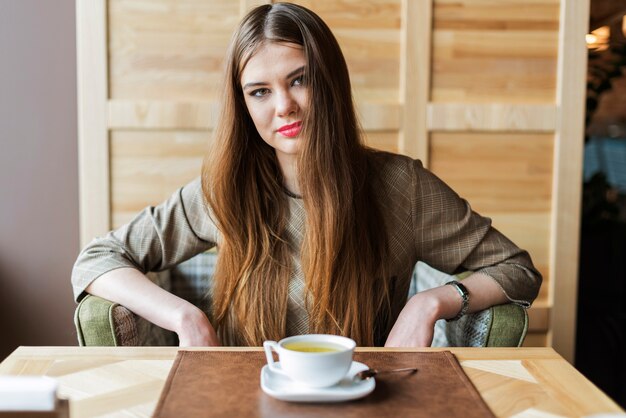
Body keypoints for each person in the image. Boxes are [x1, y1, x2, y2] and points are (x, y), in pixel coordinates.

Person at [72, 2, 542, 348]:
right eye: (259, 91)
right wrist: (186, 318)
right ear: (243, 105)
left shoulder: (402, 186)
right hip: (244, 400)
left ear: (330, 81)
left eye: (300, 79)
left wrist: (430, 302)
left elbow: (517, 269)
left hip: (365, 400)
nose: (284, 106)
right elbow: (97, 258)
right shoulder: (224, 190)